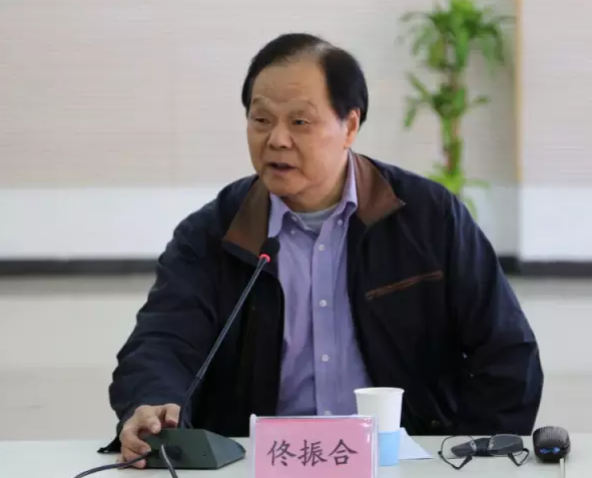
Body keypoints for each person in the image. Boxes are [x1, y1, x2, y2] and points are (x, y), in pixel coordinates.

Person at [104, 33, 544, 468]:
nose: (277, 139)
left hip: (401, 463)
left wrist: (465, 455)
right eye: (261, 120)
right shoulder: (213, 233)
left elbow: (506, 352)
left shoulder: (428, 217)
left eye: (300, 122)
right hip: (260, 465)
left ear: (349, 125)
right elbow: (163, 341)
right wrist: (153, 402)